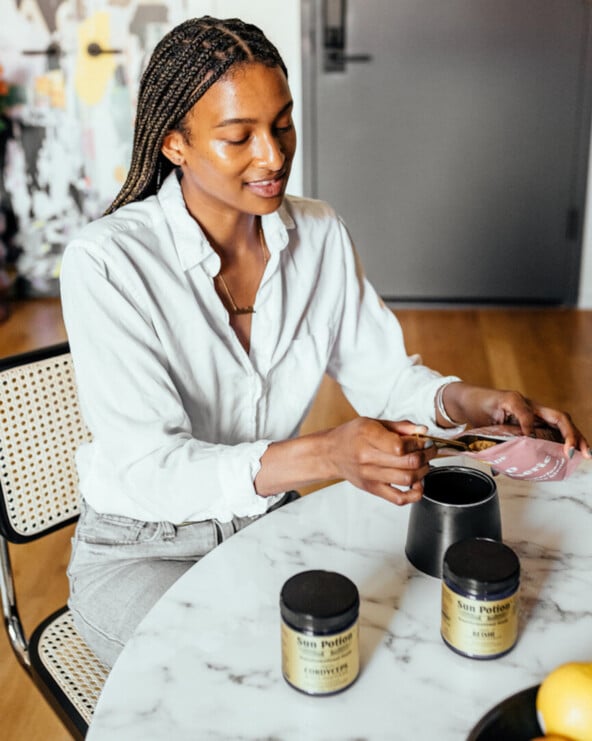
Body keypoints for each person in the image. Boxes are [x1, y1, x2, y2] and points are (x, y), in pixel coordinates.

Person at [60, 16, 590, 668]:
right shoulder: (107, 263)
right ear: (174, 144)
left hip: (265, 526)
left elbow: (385, 378)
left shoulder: (319, 233)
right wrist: (326, 453)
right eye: (238, 137)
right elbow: (152, 470)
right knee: (249, 676)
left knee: (373, 650)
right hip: (144, 548)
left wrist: (479, 403)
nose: (274, 155)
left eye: (282, 123)